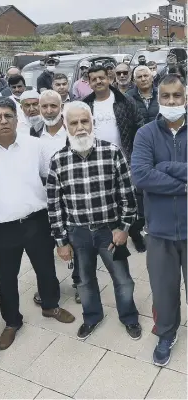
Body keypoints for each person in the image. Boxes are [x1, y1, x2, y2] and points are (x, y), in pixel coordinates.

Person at [0, 97, 75, 351]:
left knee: (46, 269)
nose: (3, 121)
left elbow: (52, 179)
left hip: (37, 220)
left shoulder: (35, 146)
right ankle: (12, 321)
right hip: (1, 227)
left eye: (8, 116)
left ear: (17, 118)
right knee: (6, 277)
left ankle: (50, 306)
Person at [47, 101, 141, 340]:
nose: (80, 127)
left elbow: (128, 196)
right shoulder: (58, 160)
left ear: (93, 122)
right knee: (85, 281)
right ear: (66, 126)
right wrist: (61, 242)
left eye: (84, 121)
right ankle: (92, 317)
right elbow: (54, 205)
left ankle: (129, 317)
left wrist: (124, 228)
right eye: (74, 123)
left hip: (110, 231)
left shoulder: (112, 152)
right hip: (78, 233)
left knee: (123, 280)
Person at [131, 75, 187, 367]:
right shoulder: (146, 134)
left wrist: (163, 167)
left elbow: (154, 174)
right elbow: (141, 176)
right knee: (164, 291)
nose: (171, 102)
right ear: (158, 98)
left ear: (185, 98)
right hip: (160, 230)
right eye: (165, 97)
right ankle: (166, 333)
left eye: (177, 96)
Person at [83, 65, 146, 253]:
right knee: (107, 199)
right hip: (98, 162)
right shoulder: (85, 105)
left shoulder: (125, 101)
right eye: (94, 79)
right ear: (89, 82)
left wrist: (137, 154)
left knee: (129, 199)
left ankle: (135, 233)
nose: (98, 82)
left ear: (109, 78)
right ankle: (112, 236)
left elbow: (140, 126)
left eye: (101, 78)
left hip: (125, 158)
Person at [32, 90, 81, 305]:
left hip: (72, 196)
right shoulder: (33, 133)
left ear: (61, 107)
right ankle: (48, 287)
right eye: (45, 107)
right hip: (43, 198)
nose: (49, 111)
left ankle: (81, 283)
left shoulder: (72, 129)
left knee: (77, 243)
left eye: (54, 106)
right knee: (44, 247)